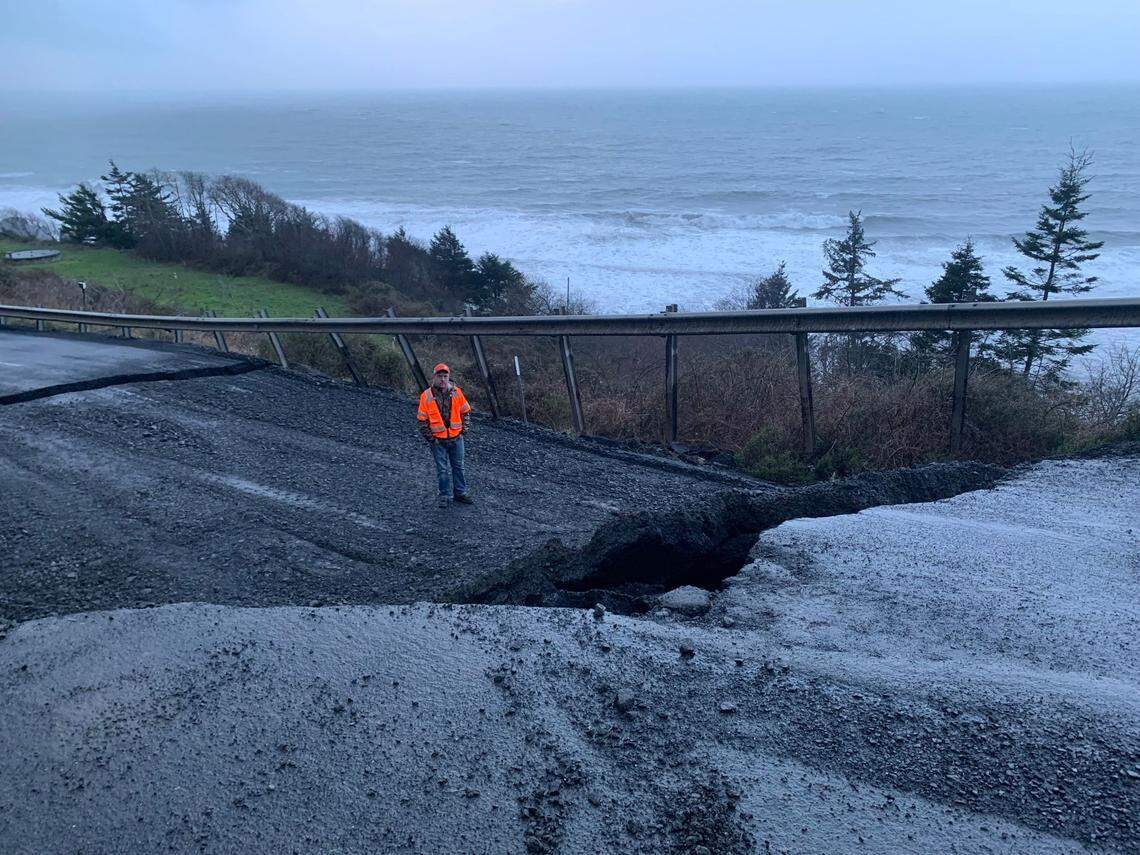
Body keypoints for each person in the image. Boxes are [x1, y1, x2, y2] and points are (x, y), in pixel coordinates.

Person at [417, 363, 475, 508]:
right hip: (438, 441)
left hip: (456, 439)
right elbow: (422, 421)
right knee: (442, 470)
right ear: (434, 377)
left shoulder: (457, 392)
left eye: (445, 376)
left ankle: (460, 493)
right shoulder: (426, 396)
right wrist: (432, 439)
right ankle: (444, 495)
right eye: (440, 376)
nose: (442, 379)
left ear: (448, 377)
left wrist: (464, 430)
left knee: (458, 467)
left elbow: (465, 412)